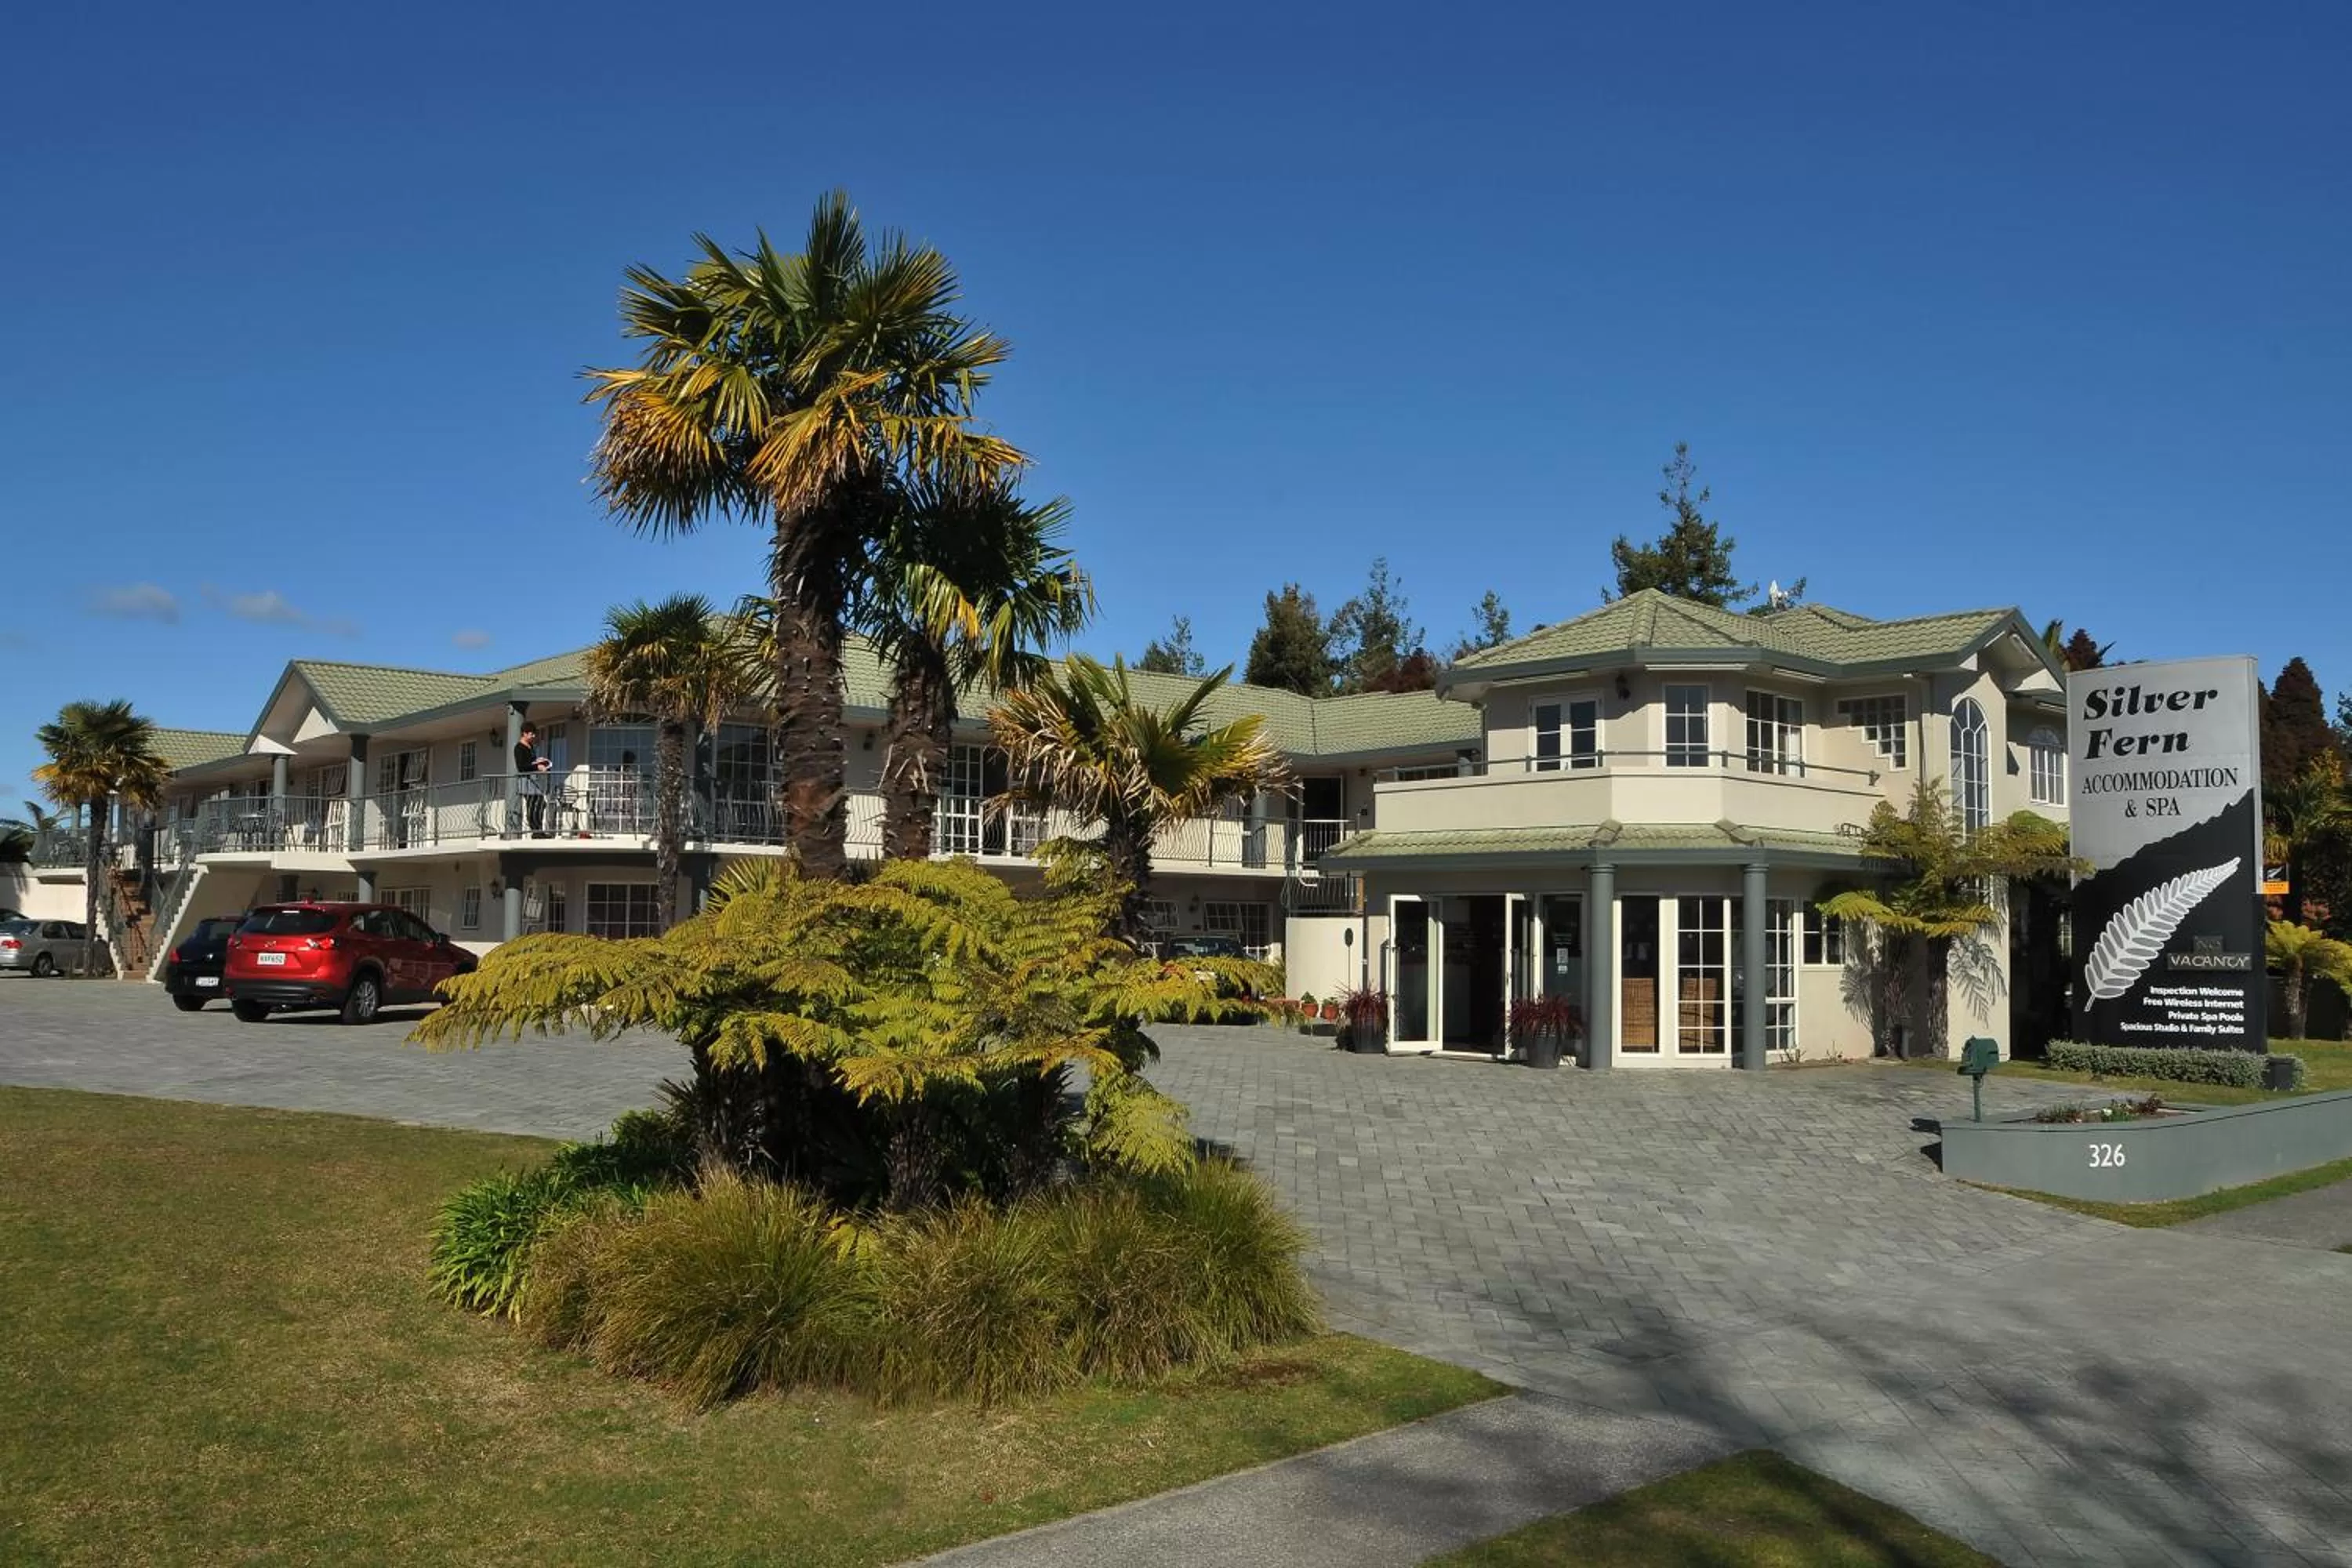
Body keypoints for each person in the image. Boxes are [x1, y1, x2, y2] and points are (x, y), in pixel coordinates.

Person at [514, 722, 554, 836]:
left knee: (541, 803)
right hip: (526, 781)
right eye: (531, 734)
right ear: (525, 734)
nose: (534, 736)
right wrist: (536, 766)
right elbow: (521, 767)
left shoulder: (530, 746)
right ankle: (535, 831)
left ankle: (539, 830)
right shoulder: (519, 748)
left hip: (533, 780)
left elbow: (530, 762)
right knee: (532, 805)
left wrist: (538, 761)